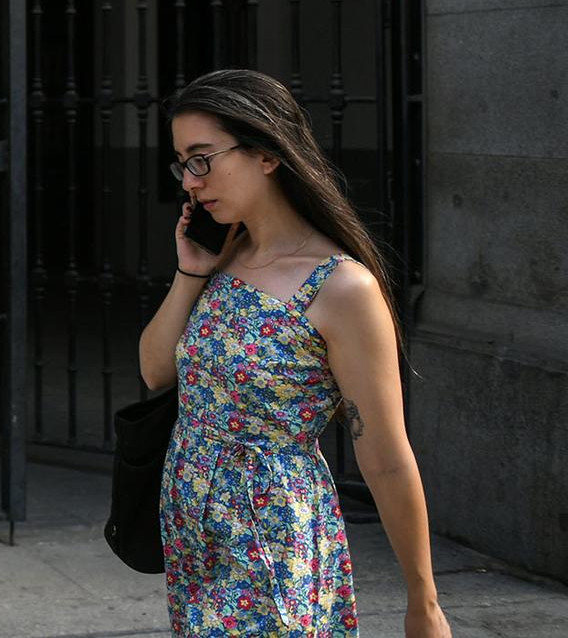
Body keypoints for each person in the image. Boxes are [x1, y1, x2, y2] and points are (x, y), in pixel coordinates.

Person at [138, 69, 450, 638]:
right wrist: (189, 274)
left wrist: (423, 603)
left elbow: (384, 454)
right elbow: (156, 370)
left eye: (203, 158)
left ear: (267, 153)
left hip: (268, 538)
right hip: (194, 532)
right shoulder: (230, 254)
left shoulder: (341, 288)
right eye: (183, 162)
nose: (190, 180)